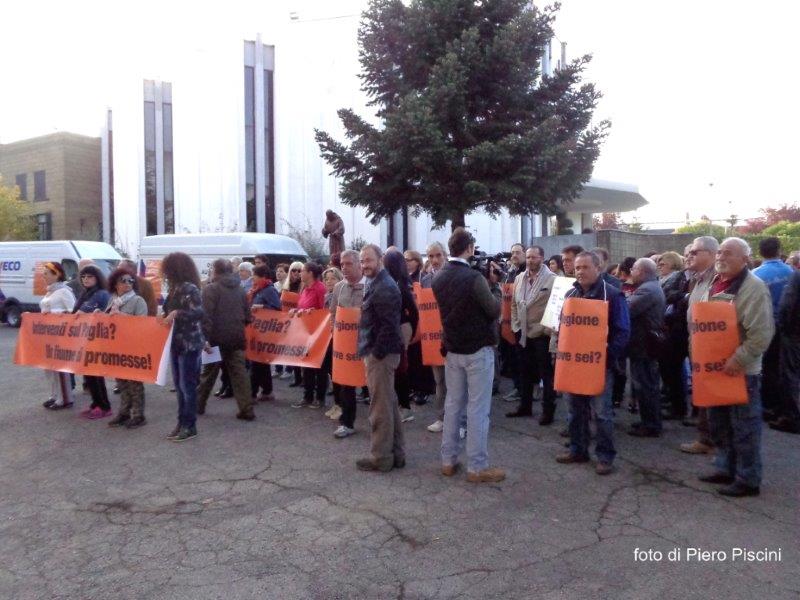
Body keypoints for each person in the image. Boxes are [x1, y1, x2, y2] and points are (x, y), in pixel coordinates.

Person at [696, 238, 773, 497]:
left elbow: (761, 335)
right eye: (719, 252)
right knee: (720, 424)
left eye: (728, 253)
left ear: (745, 259)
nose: (721, 257)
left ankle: (747, 479)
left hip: (740, 372)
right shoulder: (715, 283)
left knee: (744, 428)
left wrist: (738, 360)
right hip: (714, 369)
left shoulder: (754, 288)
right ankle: (724, 467)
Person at [433, 228, 505, 483]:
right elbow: (493, 310)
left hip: (453, 348)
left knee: (453, 405)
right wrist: (495, 286)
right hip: (477, 349)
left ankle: (448, 460)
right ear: (469, 248)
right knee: (477, 409)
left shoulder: (438, 277)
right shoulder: (474, 277)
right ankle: (477, 466)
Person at [556, 252, 630, 475]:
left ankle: (605, 457)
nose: (580, 271)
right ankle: (578, 450)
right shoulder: (570, 294)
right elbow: (563, 327)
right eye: (577, 267)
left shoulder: (613, 295)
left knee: (602, 413)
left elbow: (623, 331)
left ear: (598, 269)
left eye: (585, 267)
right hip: (574, 364)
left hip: (600, 365)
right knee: (575, 411)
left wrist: (606, 356)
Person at [355, 244, 405, 472]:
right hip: (381, 353)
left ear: (380, 260)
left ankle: (381, 457)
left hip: (381, 355)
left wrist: (375, 353)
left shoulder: (384, 285)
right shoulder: (378, 282)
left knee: (380, 408)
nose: (364, 265)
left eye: (368, 260)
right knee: (389, 404)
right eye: (362, 261)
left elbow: (388, 326)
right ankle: (396, 454)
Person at [196, 258, 255, 421]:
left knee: (208, 374)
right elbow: (248, 317)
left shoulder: (210, 289)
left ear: (215, 271)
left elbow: (206, 316)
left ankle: (198, 405)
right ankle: (246, 409)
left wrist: (205, 338)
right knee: (240, 375)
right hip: (236, 338)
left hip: (215, 340)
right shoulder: (240, 290)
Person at [679, 236, 720, 454]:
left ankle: (712, 441)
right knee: (702, 389)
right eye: (689, 253)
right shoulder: (698, 278)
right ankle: (706, 438)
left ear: (712, 254)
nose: (689, 256)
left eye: (695, 252)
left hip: (711, 346)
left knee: (711, 392)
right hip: (696, 341)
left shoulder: (718, 279)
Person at [507, 246, 556, 424]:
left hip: (542, 333)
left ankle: (548, 411)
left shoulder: (552, 279)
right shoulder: (519, 278)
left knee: (546, 374)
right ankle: (525, 406)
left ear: (542, 258)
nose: (530, 261)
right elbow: (514, 304)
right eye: (528, 257)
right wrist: (515, 325)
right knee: (524, 371)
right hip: (522, 332)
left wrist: (547, 330)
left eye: (534, 257)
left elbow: (555, 307)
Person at [160, 253, 205, 441]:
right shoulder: (174, 289)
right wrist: (164, 315)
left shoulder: (190, 288)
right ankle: (181, 422)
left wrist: (177, 313)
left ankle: (190, 425)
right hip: (176, 342)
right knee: (179, 386)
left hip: (189, 343)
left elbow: (198, 312)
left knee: (187, 386)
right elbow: (167, 311)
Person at [752, 237, 794, 423]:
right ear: (779, 250)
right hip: (787, 327)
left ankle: (767, 405)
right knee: (782, 368)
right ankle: (780, 406)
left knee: (766, 367)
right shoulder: (791, 272)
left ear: (760, 252)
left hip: (766, 325)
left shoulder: (755, 275)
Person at [626, 258, 666, 438]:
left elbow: (627, 309)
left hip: (644, 344)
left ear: (641, 271)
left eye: (633, 269)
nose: (631, 272)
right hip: (644, 344)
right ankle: (648, 420)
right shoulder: (651, 287)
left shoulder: (647, 290)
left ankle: (651, 424)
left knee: (645, 385)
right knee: (646, 384)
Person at [106, 269, 149, 428]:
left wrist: (121, 316)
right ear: (115, 284)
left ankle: (138, 415)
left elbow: (143, 324)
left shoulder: (138, 301)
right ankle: (124, 412)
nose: (127, 283)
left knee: (134, 382)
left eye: (130, 280)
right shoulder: (113, 300)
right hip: (117, 347)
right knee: (121, 382)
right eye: (123, 280)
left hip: (133, 347)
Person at [329, 250, 366, 438]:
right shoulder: (339, 288)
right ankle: (347, 423)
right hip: (345, 346)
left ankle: (382, 422)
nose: (344, 267)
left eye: (348, 264)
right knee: (346, 384)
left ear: (360, 265)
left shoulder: (370, 286)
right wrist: (335, 331)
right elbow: (333, 313)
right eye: (342, 264)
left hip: (367, 344)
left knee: (372, 384)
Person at [384, 249, 420, 424]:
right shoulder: (398, 283)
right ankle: (400, 405)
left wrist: (409, 330)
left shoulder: (398, 285)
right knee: (396, 367)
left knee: (400, 368)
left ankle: (405, 407)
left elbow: (413, 311)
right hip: (399, 328)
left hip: (399, 328)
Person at [73, 265, 112, 420]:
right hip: (85, 338)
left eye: (89, 277)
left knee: (95, 375)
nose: (86, 279)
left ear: (97, 278)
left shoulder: (101, 294)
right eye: (83, 277)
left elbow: (81, 313)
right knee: (89, 375)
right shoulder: (86, 293)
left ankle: (104, 406)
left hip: (96, 340)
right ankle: (95, 404)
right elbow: (75, 314)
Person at [291, 262, 328, 409]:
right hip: (305, 333)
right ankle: (307, 396)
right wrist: (295, 311)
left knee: (319, 367)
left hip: (318, 334)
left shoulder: (320, 288)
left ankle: (320, 398)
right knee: (306, 366)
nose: (300, 273)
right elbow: (302, 307)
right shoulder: (305, 288)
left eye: (302, 271)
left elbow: (325, 310)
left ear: (310, 273)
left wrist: (312, 313)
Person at [40, 262, 76, 410]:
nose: (43, 276)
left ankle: (65, 398)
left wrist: (53, 314)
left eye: (46, 273)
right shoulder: (49, 291)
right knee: (49, 368)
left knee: (60, 368)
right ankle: (54, 395)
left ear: (57, 275)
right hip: (48, 335)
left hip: (60, 336)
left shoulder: (64, 291)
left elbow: (73, 312)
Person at [659, 251, 690, 421]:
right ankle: (674, 402)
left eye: (663, 264)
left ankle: (679, 407)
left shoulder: (678, 277)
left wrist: (683, 296)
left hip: (680, 328)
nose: (659, 267)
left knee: (676, 370)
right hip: (673, 326)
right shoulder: (674, 278)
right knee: (671, 369)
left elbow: (671, 296)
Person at [422, 241, 450, 433]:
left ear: (445, 255)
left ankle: (458, 419)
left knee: (456, 381)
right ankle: (441, 417)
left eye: (438, 255)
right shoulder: (425, 280)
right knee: (439, 380)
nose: (434, 260)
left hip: (452, 336)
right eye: (431, 256)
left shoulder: (452, 276)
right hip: (433, 338)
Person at [770, 269, 800, 433]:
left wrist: (783, 328)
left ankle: (791, 417)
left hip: (794, 333)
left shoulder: (797, 276)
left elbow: (787, 304)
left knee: (790, 375)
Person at [249, 264, 281, 403]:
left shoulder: (269, 290)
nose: (252, 278)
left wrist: (262, 307)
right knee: (261, 364)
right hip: (257, 331)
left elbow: (277, 309)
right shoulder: (258, 289)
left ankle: (251, 394)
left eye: (254, 275)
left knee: (256, 364)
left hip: (265, 332)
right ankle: (267, 391)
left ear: (262, 277)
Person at [322, 266, 344, 418]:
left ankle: (341, 405)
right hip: (328, 337)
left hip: (338, 336)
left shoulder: (340, 295)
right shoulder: (326, 296)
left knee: (338, 372)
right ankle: (337, 403)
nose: (329, 281)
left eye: (332, 278)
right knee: (331, 370)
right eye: (327, 279)